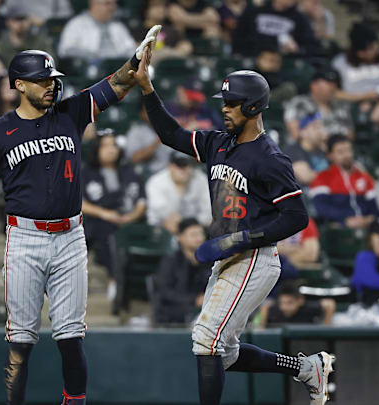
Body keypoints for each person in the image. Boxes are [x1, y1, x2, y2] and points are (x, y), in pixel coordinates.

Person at [0, 26, 161, 404]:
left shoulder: (70, 113)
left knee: (70, 338)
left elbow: (115, 85)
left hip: (70, 237)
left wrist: (135, 61)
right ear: (19, 84)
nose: (52, 86)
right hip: (24, 238)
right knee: (20, 342)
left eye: (53, 79)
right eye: (42, 81)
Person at [130, 45, 334, 403]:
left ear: (253, 107)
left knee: (206, 338)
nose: (223, 108)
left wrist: (244, 238)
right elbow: (171, 135)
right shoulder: (218, 143)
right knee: (224, 352)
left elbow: (297, 217)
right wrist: (148, 88)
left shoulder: (271, 158)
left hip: (255, 258)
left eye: (231, 103)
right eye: (223, 102)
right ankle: (306, 369)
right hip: (229, 257)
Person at [81, 129, 147, 298]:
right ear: (96, 149)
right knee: (106, 229)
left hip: (130, 220)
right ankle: (113, 280)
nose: (111, 149)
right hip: (99, 221)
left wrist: (129, 217)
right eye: (105, 146)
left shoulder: (129, 171)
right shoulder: (85, 172)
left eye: (114, 145)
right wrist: (105, 214)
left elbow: (141, 202)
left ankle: (121, 282)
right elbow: (77, 202)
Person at [309, 135, 379, 228]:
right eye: (340, 152)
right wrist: (345, 219)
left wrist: (369, 219)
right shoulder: (323, 177)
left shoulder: (363, 175)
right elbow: (322, 208)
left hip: (367, 226)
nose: (346, 155)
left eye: (348, 150)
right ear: (330, 156)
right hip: (339, 227)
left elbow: (375, 204)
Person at [152, 218, 210, 325]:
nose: (199, 238)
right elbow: (164, 292)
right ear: (180, 237)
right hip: (172, 316)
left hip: (204, 314)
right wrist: (194, 300)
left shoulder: (209, 262)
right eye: (193, 234)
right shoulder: (170, 261)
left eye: (200, 234)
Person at [331, 23, 379, 103]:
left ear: (378, 43)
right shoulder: (339, 62)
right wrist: (364, 97)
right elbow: (333, 92)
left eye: (371, 48)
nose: (368, 53)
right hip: (353, 106)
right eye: (362, 51)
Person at [145, 152, 212, 235]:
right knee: (171, 223)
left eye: (187, 165)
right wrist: (180, 189)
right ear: (170, 167)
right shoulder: (156, 182)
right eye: (180, 166)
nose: (184, 170)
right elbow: (164, 214)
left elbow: (208, 211)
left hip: (195, 227)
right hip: (160, 228)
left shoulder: (201, 179)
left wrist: (192, 225)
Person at [284, 69, 354, 142]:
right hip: (303, 151)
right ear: (314, 85)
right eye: (328, 82)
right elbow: (296, 134)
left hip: (337, 151)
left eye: (335, 83)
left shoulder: (340, 106)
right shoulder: (298, 103)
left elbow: (351, 136)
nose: (333, 86)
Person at [232, 0, 319, 57]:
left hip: (283, 63)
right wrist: (274, 41)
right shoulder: (255, 11)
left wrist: (297, 50)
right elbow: (239, 37)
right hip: (252, 57)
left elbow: (311, 46)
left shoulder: (300, 19)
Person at [58, 0, 137, 60]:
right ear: (94, 4)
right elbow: (65, 51)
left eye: (114, 4)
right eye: (107, 4)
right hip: (90, 75)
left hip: (118, 71)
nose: (112, 8)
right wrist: (91, 56)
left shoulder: (118, 26)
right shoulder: (77, 24)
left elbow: (132, 50)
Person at [0, 5, 55, 71]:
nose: (21, 23)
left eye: (23, 19)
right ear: (8, 22)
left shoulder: (39, 41)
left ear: (29, 20)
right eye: (16, 19)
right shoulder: (0, 45)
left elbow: (51, 62)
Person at [281, 111, 329, 187]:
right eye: (315, 127)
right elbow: (306, 177)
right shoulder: (292, 150)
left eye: (320, 126)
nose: (320, 130)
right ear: (303, 132)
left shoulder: (323, 150)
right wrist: (332, 176)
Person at [260, 280, 335, 327]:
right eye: (282, 303)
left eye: (289, 302)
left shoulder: (308, 308)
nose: (284, 307)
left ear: (300, 301)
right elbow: (265, 306)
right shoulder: (275, 310)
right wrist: (262, 325)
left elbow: (329, 304)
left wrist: (326, 326)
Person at [125, 101, 172, 175]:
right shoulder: (136, 132)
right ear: (141, 114)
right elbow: (135, 158)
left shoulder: (170, 127)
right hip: (148, 174)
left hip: (172, 173)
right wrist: (158, 140)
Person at [0, 0, 73, 26]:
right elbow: (4, 11)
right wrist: (25, 19)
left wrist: (46, 22)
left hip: (48, 30)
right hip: (22, 27)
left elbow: (66, 14)